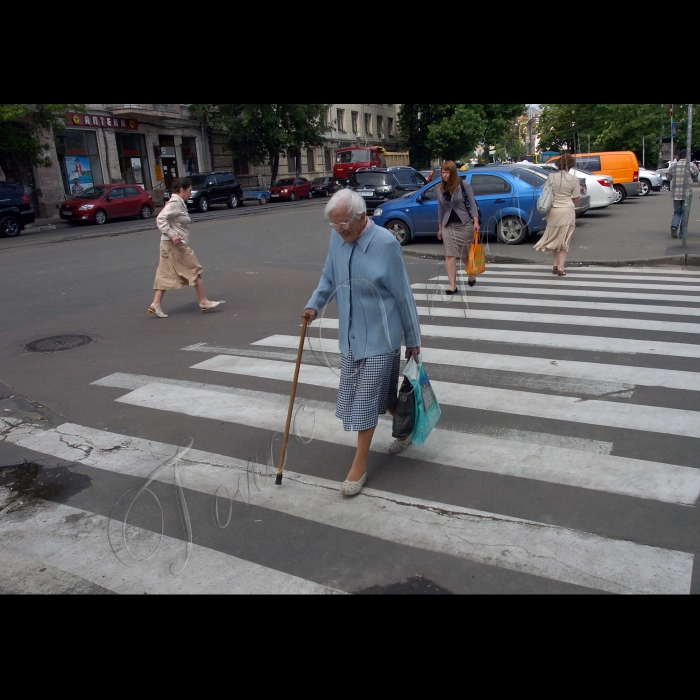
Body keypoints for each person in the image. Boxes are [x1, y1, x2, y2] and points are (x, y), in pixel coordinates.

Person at [303, 189, 421, 497]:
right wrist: (314, 305)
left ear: (360, 216)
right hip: (351, 337)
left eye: (343, 223)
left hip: (382, 336)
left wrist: (413, 339)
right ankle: (407, 424)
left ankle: (360, 465)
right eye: (334, 225)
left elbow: (402, 295)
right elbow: (329, 278)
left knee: (366, 398)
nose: (339, 230)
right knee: (383, 393)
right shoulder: (338, 240)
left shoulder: (385, 244)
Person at [149, 177, 224, 318]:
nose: (191, 193)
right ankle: (203, 301)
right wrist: (173, 234)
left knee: (165, 274)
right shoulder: (175, 203)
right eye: (189, 191)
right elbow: (160, 219)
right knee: (195, 269)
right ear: (182, 189)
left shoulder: (179, 202)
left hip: (166, 243)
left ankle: (156, 303)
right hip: (175, 244)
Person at [533, 153, 581, 276]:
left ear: (558, 164)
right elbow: (576, 198)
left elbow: (545, 193)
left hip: (554, 211)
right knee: (564, 240)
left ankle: (554, 265)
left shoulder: (551, 177)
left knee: (555, 238)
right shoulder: (573, 178)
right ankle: (561, 268)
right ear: (570, 165)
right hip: (567, 210)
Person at [437, 160, 480, 294]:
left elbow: (472, 204)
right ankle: (452, 286)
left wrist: (476, 222)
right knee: (449, 255)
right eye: (443, 172)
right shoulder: (440, 190)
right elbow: (440, 210)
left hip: (465, 224)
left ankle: (471, 275)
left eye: (447, 172)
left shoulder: (463, 185)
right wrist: (440, 228)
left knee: (464, 255)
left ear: (453, 173)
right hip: (448, 226)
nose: (444, 175)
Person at [667, 149, 699, 239]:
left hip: (676, 193)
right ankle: (682, 233)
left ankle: (674, 226)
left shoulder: (674, 166)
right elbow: (697, 176)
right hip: (687, 193)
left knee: (677, 212)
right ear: (686, 156)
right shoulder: (691, 165)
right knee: (685, 213)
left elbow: (668, 177)